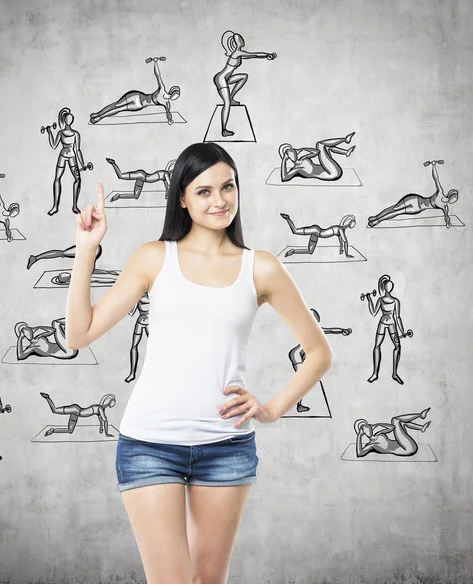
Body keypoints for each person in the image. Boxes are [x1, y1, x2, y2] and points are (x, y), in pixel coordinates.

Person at [65, 142, 333, 583]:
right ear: (183, 199)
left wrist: (271, 408)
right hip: (150, 445)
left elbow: (319, 352)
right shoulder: (155, 257)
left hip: (226, 449)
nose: (220, 200)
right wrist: (85, 249)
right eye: (204, 191)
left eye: (228, 187)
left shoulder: (260, 267)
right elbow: (79, 334)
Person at [213, 31, 277, 137]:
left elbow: (252, 56)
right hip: (221, 78)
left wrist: (266, 56)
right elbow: (254, 55)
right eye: (238, 38)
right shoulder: (237, 53)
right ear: (236, 42)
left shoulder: (239, 53)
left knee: (243, 77)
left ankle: (232, 97)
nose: (241, 39)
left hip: (226, 77)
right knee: (226, 103)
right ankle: (224, 130)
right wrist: (267, 55)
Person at [367, 160, 458, 227]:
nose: (454, 199)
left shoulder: (445, 207)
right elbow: (436, 178)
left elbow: (446, 217)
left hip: (417, 208)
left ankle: (378, 221)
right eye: (454, 197)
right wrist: (433, 166)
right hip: (415, 199)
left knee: (398, 212)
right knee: (395, 207)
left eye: (455, 198)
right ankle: (376, 217)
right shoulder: (440, 193)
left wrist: (448, 223)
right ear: (450, 195)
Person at [89, 58, 180, 125]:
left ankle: (100, 117)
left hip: (139, 105)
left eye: (177, 95)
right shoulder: (162, 90)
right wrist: (155, 62)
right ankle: (98, 113)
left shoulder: (167, 104)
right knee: (116, 104)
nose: (176, 96)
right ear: (172, 91)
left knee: (119, 109)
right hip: (137, 96)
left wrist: (169, 120)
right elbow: (158, 75)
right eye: (176, 93)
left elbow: (168, 114)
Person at [43, 107, 91, 216]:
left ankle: (74, 206)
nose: (70, 120)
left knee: (77, 179)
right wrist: (49, 132)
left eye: (71, 118)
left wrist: (82, 164)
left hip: (72, 157)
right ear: (65, 120)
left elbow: (78, 150)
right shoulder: (60, 133)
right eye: (68, 118)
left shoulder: (76, 134)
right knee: (57, 179)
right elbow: (54, 145)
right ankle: (55, 206)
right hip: (63, 157)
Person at [354, 408, 431, 457]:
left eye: (367, 425)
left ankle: (421, 427)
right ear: (363, 432)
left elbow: (392, 427)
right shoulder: (372, 445)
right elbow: (359, 453)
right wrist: (359, 436)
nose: (367, 426)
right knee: (395, 420)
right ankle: (420, 415)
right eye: (363, 427)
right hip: (407, 449)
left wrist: (377, 425)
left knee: (401, 423)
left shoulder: (378, 434)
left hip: (405, 444)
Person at [280, 212, 357, 257]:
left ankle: (293, 251)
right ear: (350, 222)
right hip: (316, 231)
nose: (353, 224)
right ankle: (288, 218)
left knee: (310, 251)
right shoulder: (340, 229)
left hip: (316, 235)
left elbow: (341, 241)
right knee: (295, 231)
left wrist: (341, 249)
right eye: (353, 222)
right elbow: (345, 242)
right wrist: (347, 254)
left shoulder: (341, 230)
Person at [106, 157, 176, 201]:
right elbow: (170, 185)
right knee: (120, 176)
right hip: (141, 175)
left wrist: (168, 195)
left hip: (142, 179)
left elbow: (168, 188)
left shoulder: (165, 176)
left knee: (135, 196)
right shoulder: (166, 174)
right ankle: (113, 163)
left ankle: (119, 196)